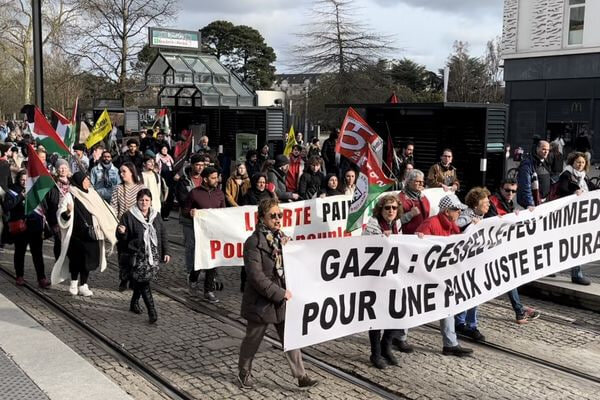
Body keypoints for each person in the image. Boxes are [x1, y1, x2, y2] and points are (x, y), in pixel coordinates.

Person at [237, 198, 318, 389]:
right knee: (253, 339)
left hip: (280, 300)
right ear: (262, 218)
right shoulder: (253, 243)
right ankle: (243, 372)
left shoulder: (282, 238)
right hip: (261, 302)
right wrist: (280, 293)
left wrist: (290, 249)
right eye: (273, 216)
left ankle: (301, 376)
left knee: (291, 339)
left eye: (280, 215)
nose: (277, 219)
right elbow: (256, 277)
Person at [415, 194, 473, 357]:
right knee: (415, 307)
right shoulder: (431, 223)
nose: (459, 213)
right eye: (457, 210)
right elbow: (415, 248)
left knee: (447, 307)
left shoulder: (451, 225)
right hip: (426, 275)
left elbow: (461, 241)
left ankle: (450, 343)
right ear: (448, 211)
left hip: (442, 275)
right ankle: (399, 336)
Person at [51, 171, 118, 296]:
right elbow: (61, 214)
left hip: (92, 234)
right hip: (77, 236)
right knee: (76, 260)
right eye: (85, 180)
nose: (88, 182)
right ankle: (74, 283)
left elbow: (103, 209)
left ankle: (84, 285)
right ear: (79, 182)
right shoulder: (71, 195)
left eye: (88, 180)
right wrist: (68, 213)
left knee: (89, 261)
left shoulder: (93, 194)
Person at [486, 178, 541, 324]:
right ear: (501, 189)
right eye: (508, 190)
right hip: (491, 249)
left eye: (514, 191)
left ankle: (519, 309)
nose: (511, 193)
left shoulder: (508, 203)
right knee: (508, 279)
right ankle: (519, 311)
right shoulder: (492, 202)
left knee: (509, 279)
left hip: (501, 247)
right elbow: (491, 222)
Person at [117, 189, 170, 323]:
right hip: (137, 255)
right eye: (141, 200)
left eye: (147, 200)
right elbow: (122, 239)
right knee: (144, 282)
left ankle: (133, 303)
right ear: (137, 201)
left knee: (142, 282)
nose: (144, 203)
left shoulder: (156, 215)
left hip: (152, 255)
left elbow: (163, 234)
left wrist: (166, 251)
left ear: (151, 201)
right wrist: (122, 232)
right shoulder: (128, 216)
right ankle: (152, 312)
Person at [363, 195, 404, 369]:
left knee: (396, 312)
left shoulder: (398, 224)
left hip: (393, 276)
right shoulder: (373, 224)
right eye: (387, 208)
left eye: (394, 208)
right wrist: (381, 238)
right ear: (381, 209)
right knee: (376, 316)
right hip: (375, 278)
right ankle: (376, 352)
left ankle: (387, 345)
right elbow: (364, 247)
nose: (391, 211)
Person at [184, 167, 225, 303]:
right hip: (200, 233)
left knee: (212, 261)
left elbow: (224, 212)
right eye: (213, 178)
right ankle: (193, 279)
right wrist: (190, 212)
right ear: (206, 179)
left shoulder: (220, 194)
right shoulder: (194, 193)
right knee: (200, 260)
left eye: (217, 177)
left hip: (214, 233)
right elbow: (185, 210)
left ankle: (208, 291)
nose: (216, 180)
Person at [454, 187, 491, 342]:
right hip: (466, 262)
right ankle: (466, 324)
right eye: (485, 203)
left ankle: (464, 322)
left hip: (478, 262)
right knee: (469, 292)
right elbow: (456, 225)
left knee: (474, 293)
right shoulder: (467, 215)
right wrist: (472, 222)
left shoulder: (483, 215)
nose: (488, 206)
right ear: (476, 205)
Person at [3, 170, 50, 288]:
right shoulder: (12, 191)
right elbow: (7, 206)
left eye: (26, 180)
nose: (24, 182)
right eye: (22, 180)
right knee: (20, 252)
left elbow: (44, 205)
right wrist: (21, 196)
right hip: (20, 227)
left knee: (37, 254)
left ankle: (41, 278)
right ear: (18, 180)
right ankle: (19, 276)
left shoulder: (35, 190)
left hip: (35, 227)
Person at [558, 152, 597, 285]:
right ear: (572, 163)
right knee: (573, 244)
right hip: (568, 216)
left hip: (580, 217)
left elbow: (592, 188)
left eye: (583, 163)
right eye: (578, 162)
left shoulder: (583, 177)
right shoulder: (567, 174)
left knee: (577, 244)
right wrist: (573, 193)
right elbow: (561, 190)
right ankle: (576, 274)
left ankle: (576, 273)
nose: (580, 165)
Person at [111, 162, 146, 290]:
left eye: (124, 171)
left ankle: (133, 278)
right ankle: (123, 278)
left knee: (136, 254)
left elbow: (146, 205)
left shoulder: (141, 188)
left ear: (131, 172)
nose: (121, 174)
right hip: (123, 226)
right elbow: (114, 207)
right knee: (123, 254)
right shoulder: (118, 188)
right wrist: (117, 223)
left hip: (138, 227)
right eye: (120, 171)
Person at [175, 154, 205, 296]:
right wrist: (193, 209)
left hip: (205, 221)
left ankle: (205, 271)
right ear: (192, 165)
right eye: (197, 165)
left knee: (204, 247)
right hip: (189, 220)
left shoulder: (206, 179)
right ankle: (190, 271)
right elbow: (182, 200)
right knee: (191, 246)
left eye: (202, 165)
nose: (200, 167)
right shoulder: (184, 181)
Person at [45, 159, 72, 260]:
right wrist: (52, 221)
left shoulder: (72, 183)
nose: (63, 169)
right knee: (58, 242)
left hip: (70, 216)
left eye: (65, 167)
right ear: (57, 169)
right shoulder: (52, 184)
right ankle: (58, 263)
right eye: (60, 167)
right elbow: (48, 204)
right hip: (57, 217)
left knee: (69, 242)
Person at [517, 140, 551, 208]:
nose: (546, 152)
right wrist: (530, 203)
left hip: (544, 201)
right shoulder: (528, 164)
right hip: (534, 204)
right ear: (537, 148)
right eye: (544, 149)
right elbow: (525, 185)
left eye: (548, 150)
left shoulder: (545, 162)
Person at [155, 144, 175, 220]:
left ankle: (166, 214)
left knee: (170, 197)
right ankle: (161, 214)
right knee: (162, 197)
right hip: (161, 180)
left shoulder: (169, 157)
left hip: (170, 180)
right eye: (163, 149)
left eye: (166, 149)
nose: (165, 151)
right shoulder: (157, 157)